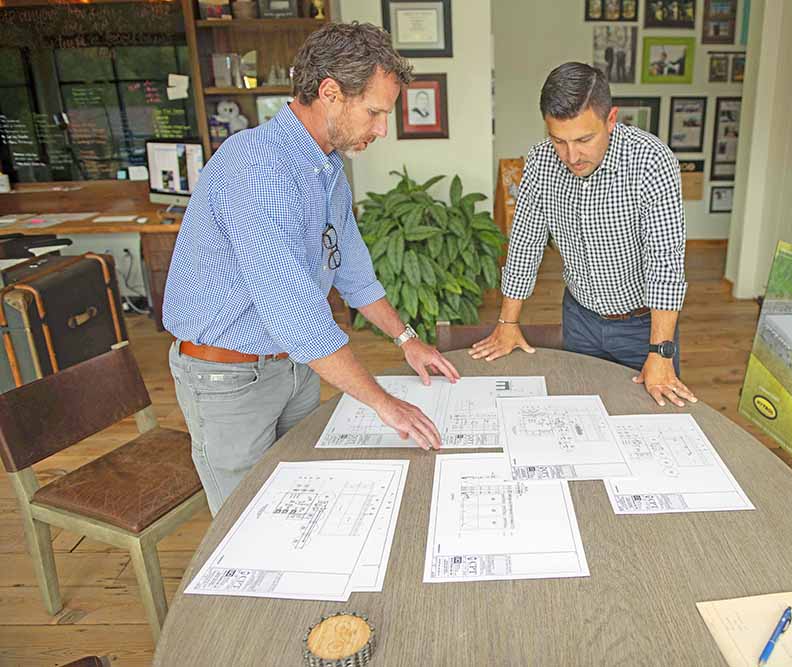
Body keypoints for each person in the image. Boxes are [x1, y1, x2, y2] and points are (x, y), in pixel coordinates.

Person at [162, 23, 459, 515]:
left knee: (299, 503)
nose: (381, 129)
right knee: (248, 520)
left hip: (295, 368)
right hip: (228, 379)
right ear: (330, 93)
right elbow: (296, 312)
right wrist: (383, 402)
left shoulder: (327, 168)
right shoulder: (256, 167)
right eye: (375, 112)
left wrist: (406, 338)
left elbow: (353, 270)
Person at [471, 62, 696, 409]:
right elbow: (525, 244)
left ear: (611, 119)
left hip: (643, 327)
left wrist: (660, 351)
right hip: (579, 318)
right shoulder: (541, 161)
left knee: (647, 416)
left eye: (584, 140)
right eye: (559, 140)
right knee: (582, 412)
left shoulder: (651, 161)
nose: (571, 156)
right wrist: (508, 322)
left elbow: (665, 263)